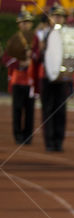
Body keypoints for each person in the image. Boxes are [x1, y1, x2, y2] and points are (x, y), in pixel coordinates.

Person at [39, 3, 72, 152]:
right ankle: (49, 141)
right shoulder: (42, 34)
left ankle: (58, 140)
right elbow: (37, 56)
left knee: (61, 109)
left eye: (60, 16)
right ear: (50, 18)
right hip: (46, 76)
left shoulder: (68, 34)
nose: (57, 19)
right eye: (55, 16)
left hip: (62, 77)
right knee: (48, 109)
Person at [4, 8, 35, 144]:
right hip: (18, 79)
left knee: (30, 110)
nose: (25, 25)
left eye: (28, 22)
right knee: (17, 109)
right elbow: (5, 59)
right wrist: (20, 63)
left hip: (31, 81)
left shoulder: (36, 39)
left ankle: (28, 136)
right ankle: (18, 135)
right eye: (23, 22)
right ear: (19, 24)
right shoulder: (14, 39)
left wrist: (32, 60)